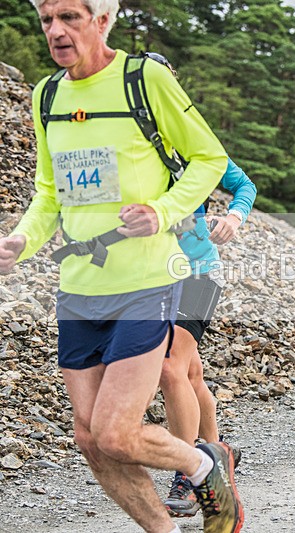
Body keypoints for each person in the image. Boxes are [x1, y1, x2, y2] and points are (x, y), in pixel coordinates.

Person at [0, 1, 243, 531]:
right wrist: (21, 240)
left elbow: (209, 159)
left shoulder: (144, 77)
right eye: (46, 20)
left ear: (103, 20)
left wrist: (162, 212)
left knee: (116, 432)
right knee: (89, 439)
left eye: (70, 17)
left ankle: (204, 465)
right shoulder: (47, 96)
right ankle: (166, 529)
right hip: (79, 289)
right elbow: (48, 195)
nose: (56, 31)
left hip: (147, 282)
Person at [160, 158, 256, 517]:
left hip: (199, 273)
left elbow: (245, 185)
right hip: (150, 277)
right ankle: (218, 456)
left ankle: (188, 472)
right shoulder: (130, 143)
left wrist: (233, 218)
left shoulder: (195, 143)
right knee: (189, 375)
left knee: (169, 369)